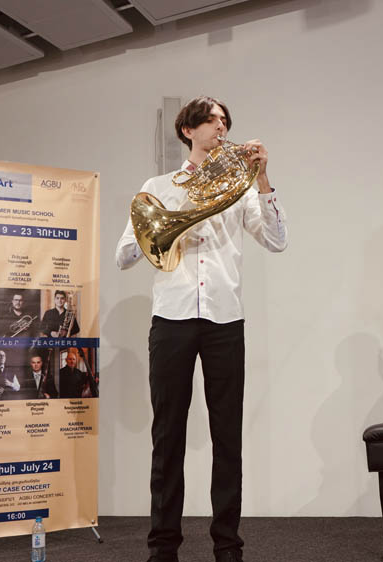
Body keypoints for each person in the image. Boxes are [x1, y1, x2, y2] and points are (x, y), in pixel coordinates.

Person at [115, 96, 288, 562]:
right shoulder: (159, 187)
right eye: (211, 120)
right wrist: (176, 217)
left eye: (225, 120)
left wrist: (263, 179)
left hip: (225, 319)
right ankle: (163, 546)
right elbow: (124, 256)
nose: (221, 127)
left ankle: (228, 546)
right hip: (171, 319)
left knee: (227, 437)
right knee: (167, 435)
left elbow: (276, 241)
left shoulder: (242, 187)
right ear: (188, 130)